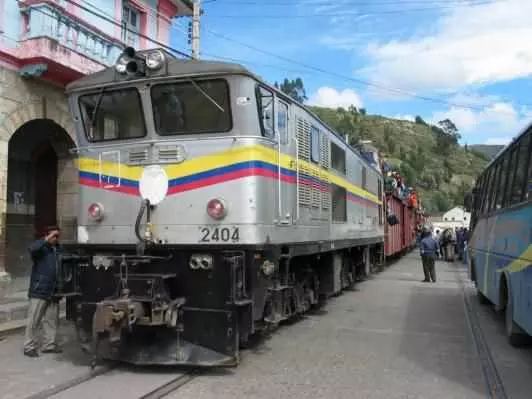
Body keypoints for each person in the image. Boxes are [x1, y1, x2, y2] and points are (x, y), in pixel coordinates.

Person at [23, 226, 62, 357]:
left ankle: (49, 345)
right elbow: (32, 249)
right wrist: (46, 240)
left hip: (53, 291)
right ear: (47, 236)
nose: (56, 239)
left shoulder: (57, 250)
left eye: (57, 236)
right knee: (34, 319)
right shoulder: (40, 249)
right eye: (53, 236)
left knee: (51, 320)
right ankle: (29, 346)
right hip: (39, 289)